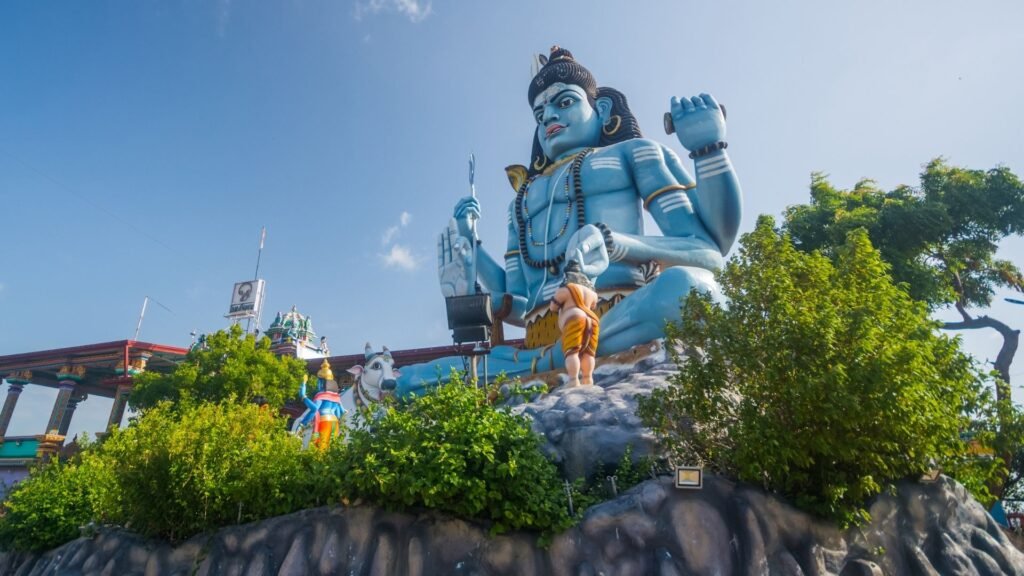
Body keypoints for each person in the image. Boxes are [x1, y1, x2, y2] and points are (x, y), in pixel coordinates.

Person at [401, 46, 742, 395]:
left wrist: (708, 149)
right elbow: (521, 305)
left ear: (601, 109)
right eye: (540, 113)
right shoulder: (521, 200)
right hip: (538, 344)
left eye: (563, 103)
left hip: (617, 318)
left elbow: (707, 252)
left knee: (693, 291)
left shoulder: (635, 154)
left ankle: (556, 363)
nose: (548, 117)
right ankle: (558, 360)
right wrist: (472, 256)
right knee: (406, 381)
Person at [550, 260, 600, 387]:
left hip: (574, 319)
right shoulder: (593, 293)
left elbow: (553, 308)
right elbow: (593, 306)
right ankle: (588, 379)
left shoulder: (565, 289)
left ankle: (573, 380)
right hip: (593, 321)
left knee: (572, 352)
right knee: (588, 353)